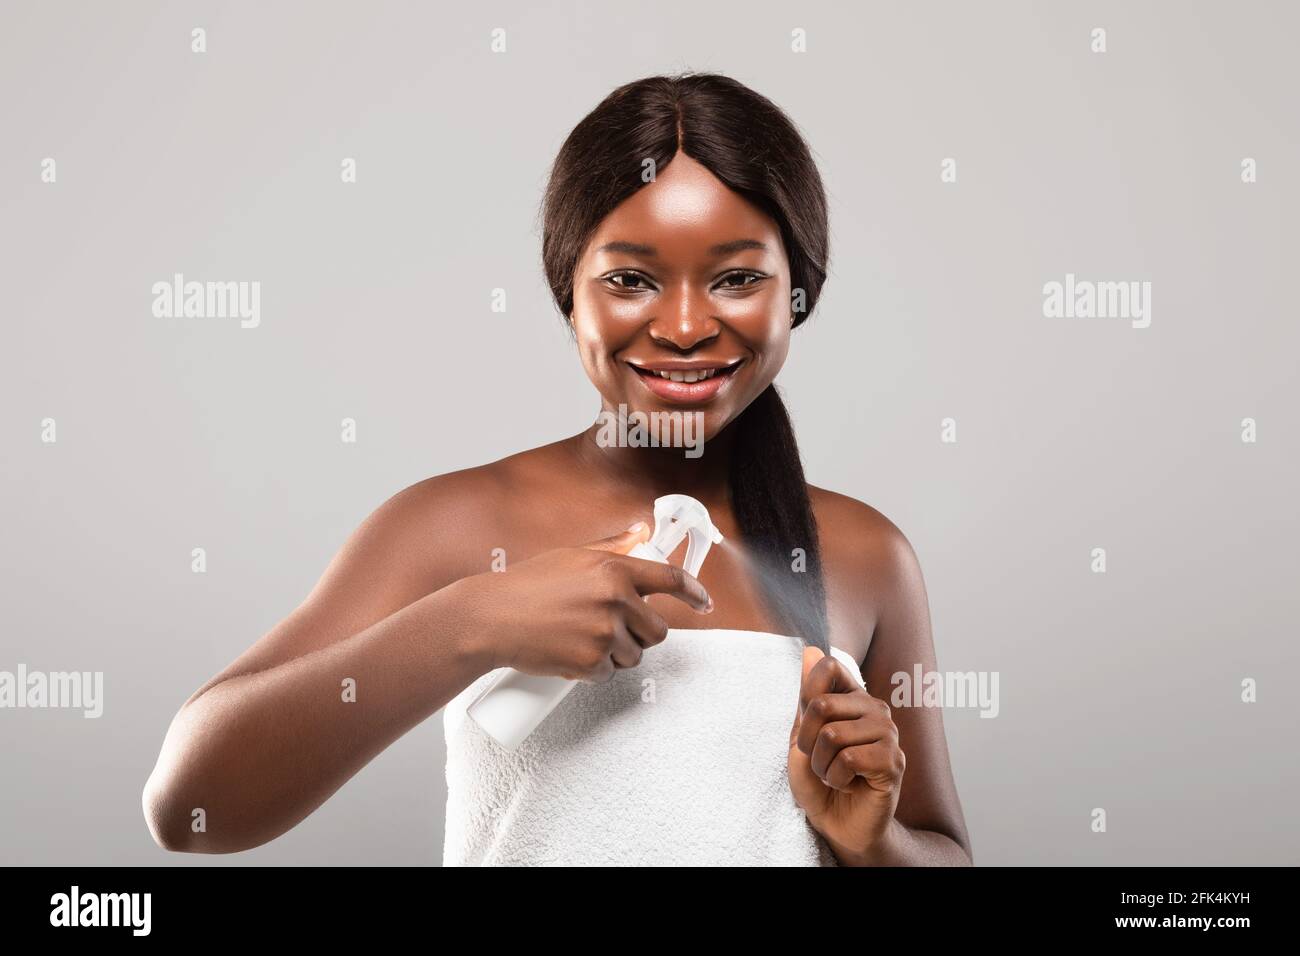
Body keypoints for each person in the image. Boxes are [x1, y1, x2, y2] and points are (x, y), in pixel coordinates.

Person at [143, 71, 972, 866]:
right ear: (566, 292)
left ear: (798, 291)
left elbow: (944, 854)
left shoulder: (868, 557)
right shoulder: (456, 527)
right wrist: (478, 621)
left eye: (737, 277)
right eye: (630, 279)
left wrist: (874, 843)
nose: (684, 325)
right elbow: (189, 805)